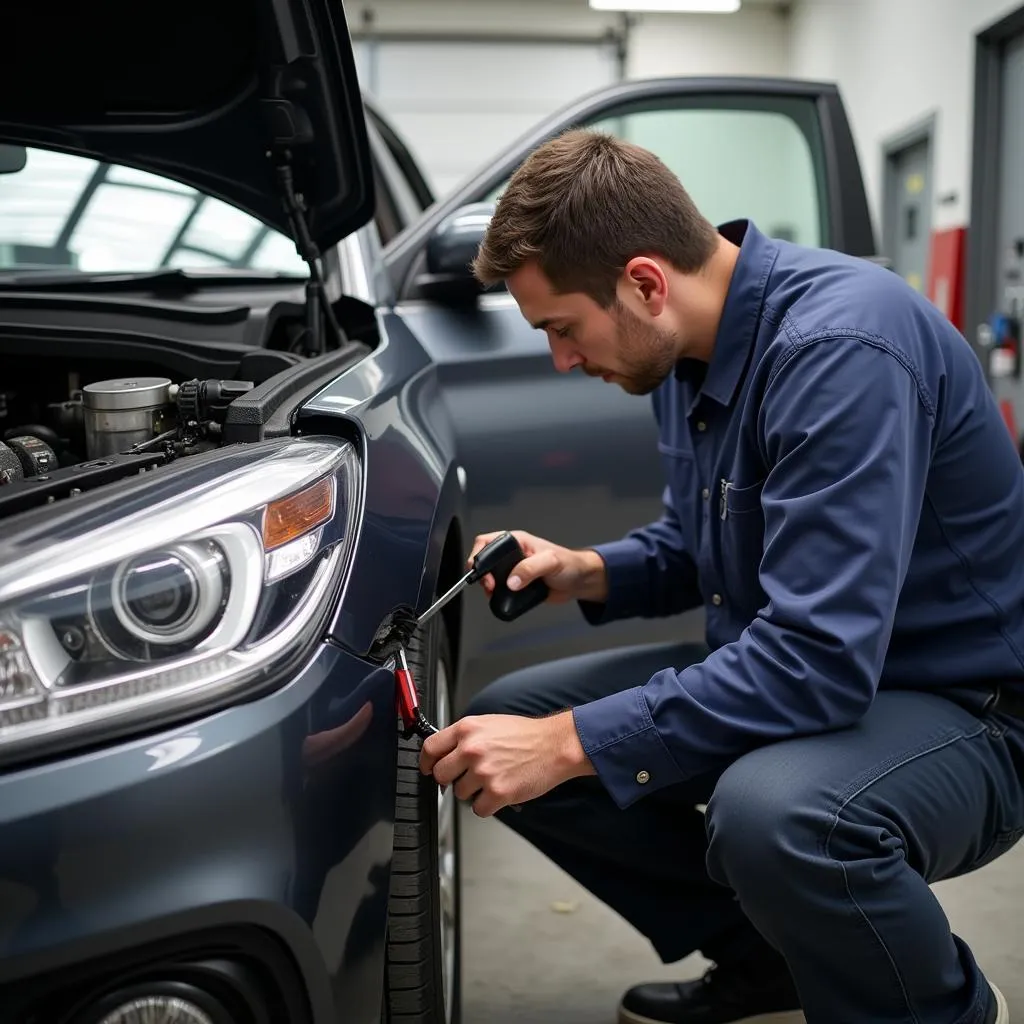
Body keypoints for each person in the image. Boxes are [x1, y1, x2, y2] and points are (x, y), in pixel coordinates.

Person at [418, 129, 1024, 1024]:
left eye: (561, 328)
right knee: (506, 725)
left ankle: (940, 1010)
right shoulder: (681, 350)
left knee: (779, 816)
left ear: (645, 283)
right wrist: (582, 571)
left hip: (963, 709)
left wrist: (567, 746)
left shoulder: (843, 350)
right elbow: (709, 552)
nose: (562, 360)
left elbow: (815, 659)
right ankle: (771, 960)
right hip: (821, 676)